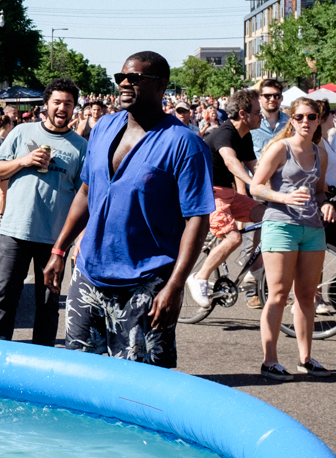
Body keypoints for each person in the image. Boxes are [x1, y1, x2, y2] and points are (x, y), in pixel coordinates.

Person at [44, 53, 213, 367]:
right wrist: (59, 249)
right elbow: (85, 191)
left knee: (140, 388)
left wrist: (175, 287)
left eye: (135, 78)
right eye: (120, 77)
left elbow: (197, 220)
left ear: (161, 85)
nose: (124, 83)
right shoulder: (104, 127)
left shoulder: (185, 144)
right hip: (89, 276)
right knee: (80, 376)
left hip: (145, 284)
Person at [0, 79, 87, 346]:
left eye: (68, 103)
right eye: (57, 102)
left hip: (54, 238)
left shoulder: (80, 146)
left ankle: (43, 358)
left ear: (74, 108)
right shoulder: (22, 132)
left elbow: (83, 196)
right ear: (46, 105)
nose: (62, 108)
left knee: (48, 302)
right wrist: (23, 161)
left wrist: (77, 240)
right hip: (15, 231)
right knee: (5, 298)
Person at [248, 97, 335, 380]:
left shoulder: (319, 153)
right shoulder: (280, 149)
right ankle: (269, 360)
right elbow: (256, 187)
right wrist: (284, 197)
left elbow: (320, 191)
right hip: (281, 225)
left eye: (311, 117)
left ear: (319, 119)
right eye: (299, 117)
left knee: (307, 295)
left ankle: (305, 358)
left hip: (312, 229)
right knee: (278, 294)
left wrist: (326, 204)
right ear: (291, 120)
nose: (305, 122)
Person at [188, 89, 265, 308]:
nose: (261, 116)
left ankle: (256, 268)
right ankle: (199, 277)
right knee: (234, 239)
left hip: (228, 194)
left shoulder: (245, 135)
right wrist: (253, 184)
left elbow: (255, 167)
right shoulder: (225, 134)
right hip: (209, 194)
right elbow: (232, 162)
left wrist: (278, 190)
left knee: (270, 215)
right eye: (258, 112)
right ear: (243, 114)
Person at [250, 78, 289, 155]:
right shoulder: (250, 122)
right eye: (267, 96)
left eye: (276, 96)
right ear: (259, 98)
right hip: (257, 166)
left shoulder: (290, 122)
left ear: (281, 98)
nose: (272, 99)